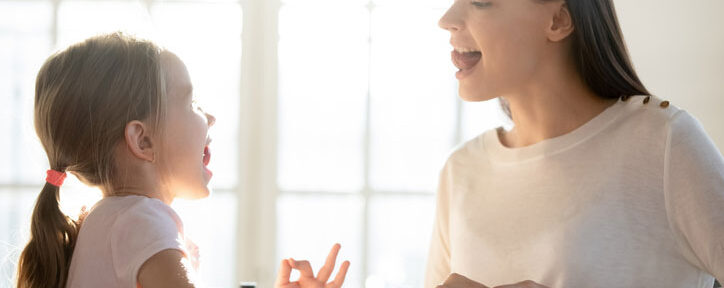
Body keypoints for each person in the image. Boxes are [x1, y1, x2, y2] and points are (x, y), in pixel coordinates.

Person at [424, 0, 724, 287]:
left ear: (558, 20)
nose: (446, 19)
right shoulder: (461, 169)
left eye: (479, 2)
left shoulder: (664, 143)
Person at [16, 32, 350, 288]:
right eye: (192, 103)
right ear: (142, 140)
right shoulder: (142, 221)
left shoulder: (105, 221)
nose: (211, 117)